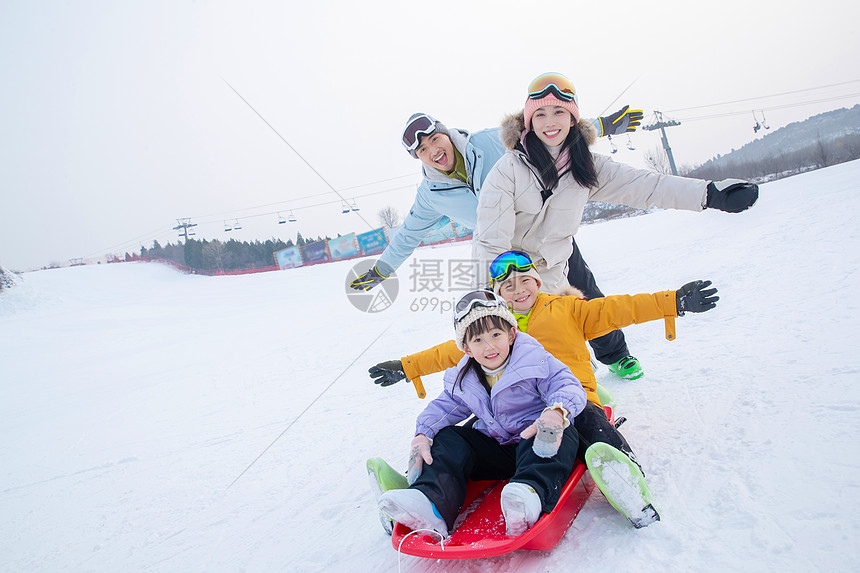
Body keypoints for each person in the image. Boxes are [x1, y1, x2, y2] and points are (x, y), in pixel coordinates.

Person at [370, 250, 720, 528]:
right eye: (509, 287)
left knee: (589, 428)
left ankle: (625, 480)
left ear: (537, 282)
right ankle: (422, 491)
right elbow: (447, 354)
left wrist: (673, 302)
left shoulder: (566, 309)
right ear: (500, 295)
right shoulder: (491, 329)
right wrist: (406, 368)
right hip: (511, 419)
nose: (519, 290)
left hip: (571, 402)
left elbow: (620, 308)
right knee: (455, 435)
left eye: (525, 281)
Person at [471, 72, 758, 379]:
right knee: (515, 356)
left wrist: (709, 194)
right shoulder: (508, 171)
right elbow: (490, 241)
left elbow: (647, 186)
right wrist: (488, 301)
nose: (549, 122)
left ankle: (593, 380)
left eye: (558, 112)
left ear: (572, 119)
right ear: (529, 122)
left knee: (571, 340)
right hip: (512, 279)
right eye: (539, 114)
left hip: (554, 276)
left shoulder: (586, 167)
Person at [350, 105, 646, 380]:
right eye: (423, 150)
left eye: (435, 139)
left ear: (447, 134)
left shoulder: (487, 143)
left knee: (583, 291)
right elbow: (408, 233)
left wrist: (602, 125)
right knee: (509, 318)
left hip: (543, 233)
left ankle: (617, 355)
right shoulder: (431, 193)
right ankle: (549, 369)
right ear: (419, 159)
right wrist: (382, 269)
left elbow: (544, 135)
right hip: (499, 256)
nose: (433, 151)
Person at [377, 290, 588, 538]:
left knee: (565, 432)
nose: (489, 346)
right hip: (497, 449)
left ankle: (529, 496)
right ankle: (430, 503)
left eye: (496, 334)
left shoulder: (535, 360)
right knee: (449, 437)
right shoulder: (465, 378)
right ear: (466, 348)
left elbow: (566, 384)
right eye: (478, 340)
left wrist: (556, 412)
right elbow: (444, 408)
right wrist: (423, 434)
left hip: (537, 442)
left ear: (511, 334)